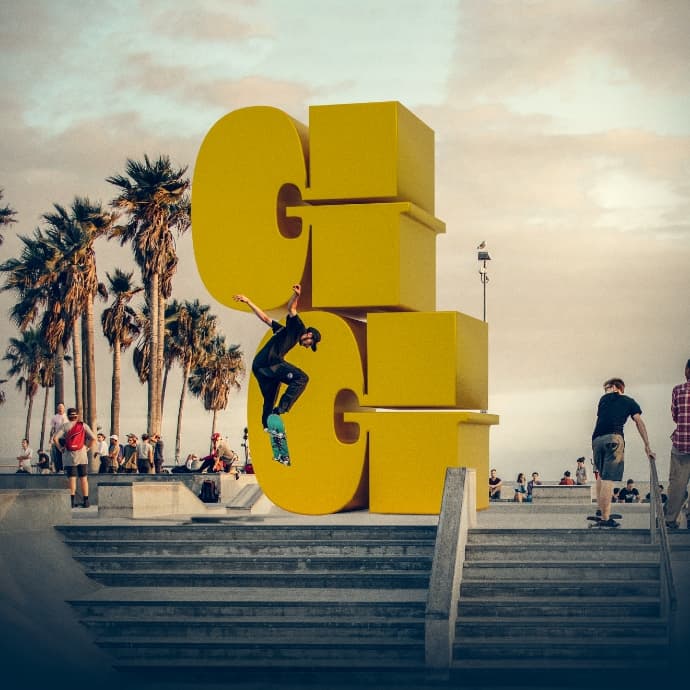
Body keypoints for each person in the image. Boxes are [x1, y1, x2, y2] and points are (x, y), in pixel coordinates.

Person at [233, 284, 321, 428]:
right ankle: (280, 410)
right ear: (309, 335)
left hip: (259, 368)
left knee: (270, 398)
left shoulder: (282, 331)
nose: (307, 346)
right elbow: (291, 308)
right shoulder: (298, 327)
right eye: (310, 343)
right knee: (302, 378)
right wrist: (296, 296)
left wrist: (248, 301)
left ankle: (267, 425)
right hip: (271, 363)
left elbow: (265, 318)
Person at [591, 378, 655, 527]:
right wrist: (647, 445)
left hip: (596, 440)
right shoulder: (629, 401)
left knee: (601, 474)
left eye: (606, 388)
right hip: (614, 438)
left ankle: (601, 511)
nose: (605, 391)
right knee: (608, 478)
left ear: (615, 387)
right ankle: (605, 519)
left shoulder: (603, 400)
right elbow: (639, 421)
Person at [664, 359, 690, 529]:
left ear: (687, 370)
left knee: (677, 485)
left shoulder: (678, 390)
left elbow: (675, 415)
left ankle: (671, 519)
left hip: (681, 443)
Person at [53, 407, 96, 508]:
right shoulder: (83, 426)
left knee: (72, 479)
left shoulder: (65, 426)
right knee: (84, 479)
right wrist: (87, 447)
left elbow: (55, 438)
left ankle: (71, 502)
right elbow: (94, 438)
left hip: (69, 456)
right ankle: (86, 501)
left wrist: (61, 448)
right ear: (77, 416)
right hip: (82, 455)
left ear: (68, 416)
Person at [49, 403, 68, 473]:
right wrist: (50, 438)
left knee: (67, 453)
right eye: (59, 407)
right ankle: (60, 469)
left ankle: (67, 468)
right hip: (58, 438)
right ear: (57, 409)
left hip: (66, 438)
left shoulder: (67, 417)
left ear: (64, 408)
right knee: (58, 453)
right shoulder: (54, 417)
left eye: (61, 407)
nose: (60, 408)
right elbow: (52, 429)